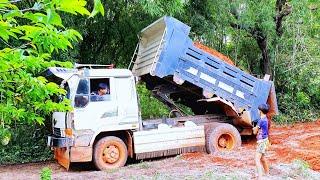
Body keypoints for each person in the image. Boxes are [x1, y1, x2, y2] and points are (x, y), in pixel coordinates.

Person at [253, 104, 270, 180]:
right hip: (265, 140)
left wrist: (254, 128)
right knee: (262, 158)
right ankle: (267, 173)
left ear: (260, 111)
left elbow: (254, 132)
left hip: (261, 142)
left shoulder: (261, 121)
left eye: (258, 109)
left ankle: (260, 178)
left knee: (257, 159)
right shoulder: (266, 119)